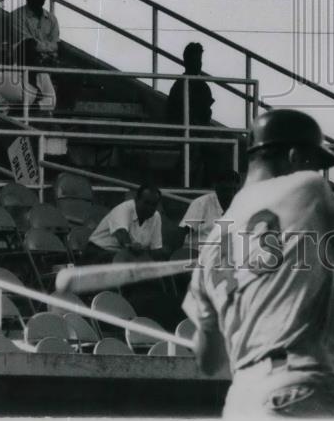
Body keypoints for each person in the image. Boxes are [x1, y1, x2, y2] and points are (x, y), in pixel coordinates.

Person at [182, 108, 334, 419]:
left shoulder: (214, 240)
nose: (317, 172)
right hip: (299, 386)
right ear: (293, 156)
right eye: (314, 163)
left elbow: (210, 362)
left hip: (243, 400)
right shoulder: (307, 187)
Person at [165, 42, 215, 185]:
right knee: (195, 149)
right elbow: (173, 115)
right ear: (186, 62)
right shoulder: (179, 86)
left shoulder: (202, 86)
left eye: (199, 61)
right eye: (195, 60)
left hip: (197, 132)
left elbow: (206, 114)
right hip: (183, 132)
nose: (199, 64)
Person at [84, 185, 172, 264]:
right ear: (136, 200)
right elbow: (122, 236)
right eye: (146, 203)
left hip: (126, 257)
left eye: (154, 205)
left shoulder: (156, 216)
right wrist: (132, 246)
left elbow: (156, 249)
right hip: (99, 253)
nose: (150, 208)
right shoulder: (124, 208)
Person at [12, 0, 58, 114]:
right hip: (23, 61)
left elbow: (56, 45)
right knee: (28, 47)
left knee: (74, 76)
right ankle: (35, 99)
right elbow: (27, 43)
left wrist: (44, 48)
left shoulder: (51, 18)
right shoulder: (17, 16)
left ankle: (61, 115)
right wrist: (47, 47)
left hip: (45, 61)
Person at [177, 169, 241, 254]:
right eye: (226, 190)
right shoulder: (201, 203)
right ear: (216, 187)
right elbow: (183, 232)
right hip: (198, 254)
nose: (230, 194)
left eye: (234, 190)